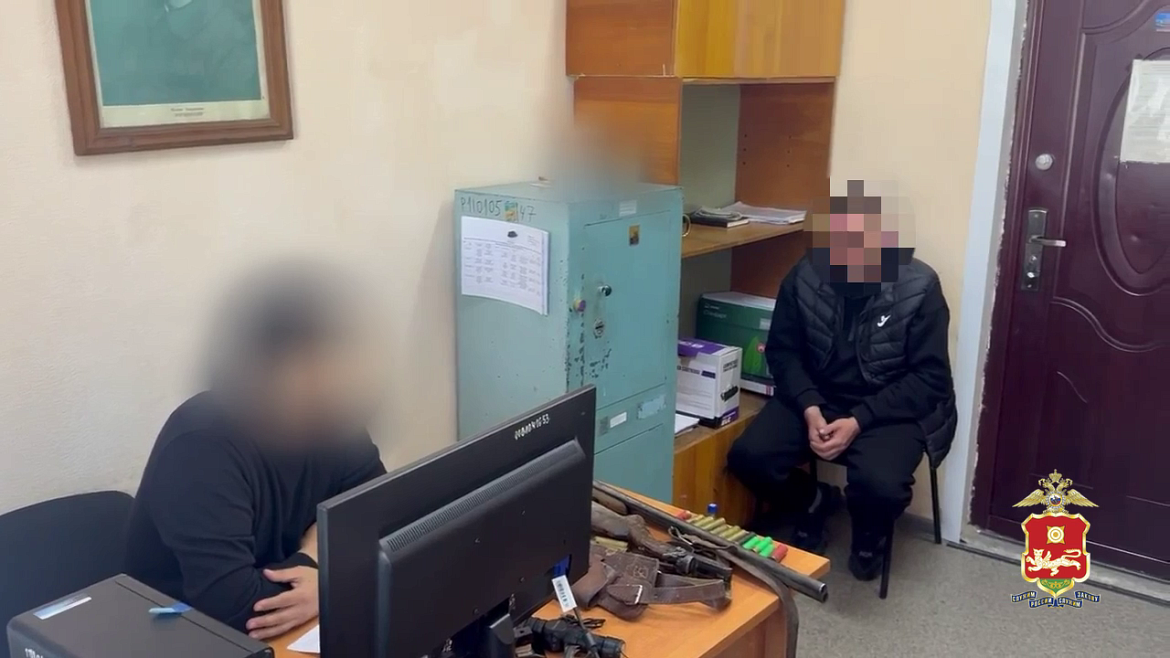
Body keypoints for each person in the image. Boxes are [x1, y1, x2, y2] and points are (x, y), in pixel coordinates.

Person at [124, 263, 387, 639]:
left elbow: (381, 519)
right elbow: (239, 609)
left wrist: (322, 576)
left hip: (290, 627)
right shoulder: (199, 447)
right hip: (179, 633)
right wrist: (317, 561)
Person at [726, 181, 957, 581]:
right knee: (749, 457)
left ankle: (868, 536)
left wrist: (859, 420)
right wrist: (809, 406)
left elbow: (930, 379)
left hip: (890, 407)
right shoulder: (805, 275)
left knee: (880, 486)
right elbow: (782, 352)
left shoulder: (920, 287)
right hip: (819, 396)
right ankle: (812, 501)